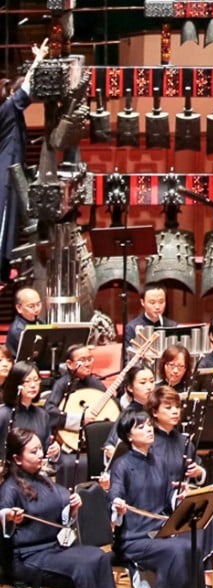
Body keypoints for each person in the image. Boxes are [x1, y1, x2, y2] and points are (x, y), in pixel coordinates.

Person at [0, 427, 120, 588]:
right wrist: (9, 517)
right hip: (26, 558)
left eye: (40, 449)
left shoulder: (44, 480)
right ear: (17, 458)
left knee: (98, 556)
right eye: (33, 451)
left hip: (53, 549)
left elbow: (60, 514)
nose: (41, 455)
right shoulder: (9, 488)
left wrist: (72, 508)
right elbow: (3, 516)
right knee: (81, 568)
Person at [108, 410, 207, 588]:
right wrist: (117, 505)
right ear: (129, 436)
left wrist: (178, 497)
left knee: (191, 546)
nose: (149, 430)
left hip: (158, 533)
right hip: (133, 539)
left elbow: (166, 499)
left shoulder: (159, 461)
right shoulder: (122, 465)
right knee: (176, 550)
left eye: (149, 425)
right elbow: (114, 494)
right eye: (141, 427)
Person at [146, 386, 213, 588]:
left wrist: (198, 472)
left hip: (183, 499)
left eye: (177, 407)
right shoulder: (149, 441)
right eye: (168, 407)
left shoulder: (183, 441)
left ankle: (207, 574)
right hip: (158, 504)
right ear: (154, 412)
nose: (175, 412)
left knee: (210, 511)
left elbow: (198, 470)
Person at [0, 41, 46, 281]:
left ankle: (4, 268)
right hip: (6, 174)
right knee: (4, 218)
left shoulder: (9, 111)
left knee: (10, 219)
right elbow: (26, 88)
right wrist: (39, 60)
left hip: (9, 172)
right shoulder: (8, 109)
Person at [44, 345, 105, 487]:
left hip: (94, 444)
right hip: (68, 445)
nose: (87, 363)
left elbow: (111, 407)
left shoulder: (96, 383)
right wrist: (79, 419)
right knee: (69, 463)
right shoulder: (62, 384)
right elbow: (49, 411)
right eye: (82, 360)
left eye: (90, 359)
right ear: (69, 364)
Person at [0, 361, 59, 460]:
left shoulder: (42, 415)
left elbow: (45, 450)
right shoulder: (3, 414)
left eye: (36, 380)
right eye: (27, 381)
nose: (33, 385)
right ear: (15, 384)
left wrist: (54, 451)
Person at [123, 282, 177, 349]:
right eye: (152, 302)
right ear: (142, 302)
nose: (157, 307)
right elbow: (127, 354)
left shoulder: (172, 326)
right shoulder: (132, 327)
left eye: (161, 302)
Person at [5, 287, 44, 355]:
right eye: (31, 306)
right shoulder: (18, 329)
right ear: (19, 308)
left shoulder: (40, 322)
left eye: (38, 304)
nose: (37, 309)